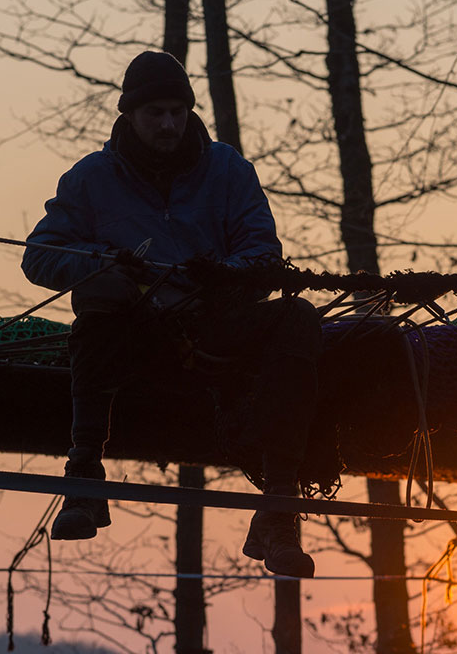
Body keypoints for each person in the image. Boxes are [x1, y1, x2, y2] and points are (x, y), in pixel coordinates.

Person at [21, 50, 322, 578]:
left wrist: (222, 275)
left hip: (216, 327)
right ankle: (84, 478)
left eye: (176, 112)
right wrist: (101, 266)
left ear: (189, 113)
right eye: (155, 113)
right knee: (95, 322)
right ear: (129, 115)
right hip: (131, 332)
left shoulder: (229, 170)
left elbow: (264, 257)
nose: (167, 124)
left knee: (298, 316)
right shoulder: (90, 178)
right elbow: (40, 255)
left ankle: (278, 511)